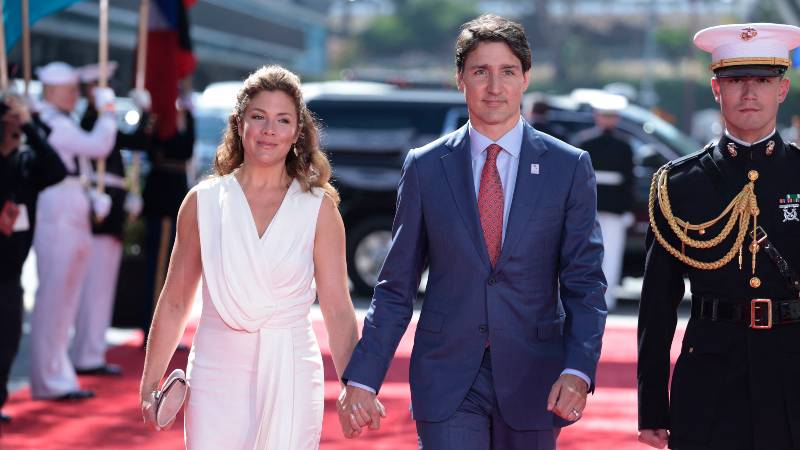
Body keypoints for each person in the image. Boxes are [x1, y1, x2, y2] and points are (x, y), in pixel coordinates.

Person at [338, 14, 607, 449]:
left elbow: (585, 282)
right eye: (481, 71)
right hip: (447, 376)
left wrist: (578, 370)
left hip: (536, 376)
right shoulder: (426, 167)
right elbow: (396, 285)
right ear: (460, 79)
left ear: (526, 78)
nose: (494, 86)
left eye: (508, 72)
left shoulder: (568, 166)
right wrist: (364, 378)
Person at [139, 65, 360, 449]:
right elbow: (175, 300)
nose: (269, 130)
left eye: (282, 120)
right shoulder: (203, 202)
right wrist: (149, 383)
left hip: (291, 370)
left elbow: (339, 309)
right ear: (239, 123)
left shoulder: (318, 208)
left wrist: (354, 386)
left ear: (297, 131)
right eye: (259, 117)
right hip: (215, 372)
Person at [638, 23, 800, 450]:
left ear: (782, 90)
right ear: (716, 89)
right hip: (710, 380)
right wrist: (652, 407)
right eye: (735, 80)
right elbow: (657, 305)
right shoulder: (677, 184)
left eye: (762, 81)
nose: (749, 93)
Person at [30, 61, 117, 401]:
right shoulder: (52, 122)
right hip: (57, 213)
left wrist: (91, 196)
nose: (75, 96)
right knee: (54, 298)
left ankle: (58, 374)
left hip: (71, 207)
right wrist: (108, 111)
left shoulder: (60, 120)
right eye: (69, 91)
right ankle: (48, 378)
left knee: (66, 299)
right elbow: (98, 145)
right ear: (51, 92)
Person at [70, 62, 153, 376]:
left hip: (111, 209)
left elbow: (136, 143)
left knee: (102, 287)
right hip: (98, 212)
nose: (109, 92)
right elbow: (101, 146)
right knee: (93, 286)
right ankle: (86, 354)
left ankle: (91, 351)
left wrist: (145, 114)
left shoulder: (101, 120)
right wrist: (106, 110)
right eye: (101, 86)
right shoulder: (91, 120)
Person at [0, 96, 67, 423]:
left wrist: (29, 124)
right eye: (8, 123)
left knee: (8, 339)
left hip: (10, 270)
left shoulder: (26, 163)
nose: (13, 130)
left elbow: (57, 169)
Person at [139, 93, 194, 345]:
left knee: (171, 270)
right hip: (163, 201)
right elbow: (174, 148)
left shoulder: (178, 123)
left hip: (171, 201)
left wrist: (188, 118)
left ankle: (162, 329)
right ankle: (154, 329)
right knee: (160, 269)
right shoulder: (161, 124)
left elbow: (186, 148)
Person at [573, 94, 635, 311]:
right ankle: (589, 296)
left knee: (611, 254)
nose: (608, 119)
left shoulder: (618, 145)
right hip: (592, 206)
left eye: (611, 116)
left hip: (611, 207)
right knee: (588, 253)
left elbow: (628, 180)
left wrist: (626, 208)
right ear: (596, 116)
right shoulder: (586, 142)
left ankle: (606, 297)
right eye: (604, 115)